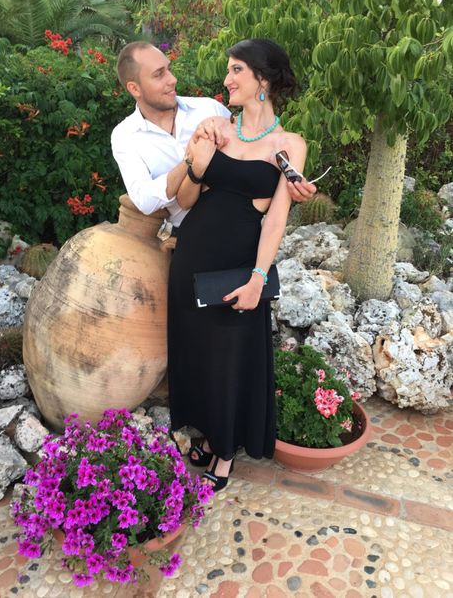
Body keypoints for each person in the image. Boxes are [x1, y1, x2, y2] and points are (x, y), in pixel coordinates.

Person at [167, 38, 307, 492]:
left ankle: (226, 452)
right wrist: (196, 158)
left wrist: (258, 279)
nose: (226, 80)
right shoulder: (218, 130)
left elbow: (276, 219)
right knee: (198, 354)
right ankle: (208, 435)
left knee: (229, 357)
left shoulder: (289, 145)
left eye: (236, 70)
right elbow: (187, 199)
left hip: (238, 265)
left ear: (262, 79)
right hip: (192, 255)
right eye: (228, 70)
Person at [111, 41, 316, 232]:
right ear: (134, 88)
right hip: (180, 237)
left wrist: (289, 178)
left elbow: (254, 146)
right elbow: (145, 201)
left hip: (236, 230)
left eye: (169, 69)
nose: (172, 79)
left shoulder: (209, 110)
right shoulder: (125, 136)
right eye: (159, 74)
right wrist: (191, 159)